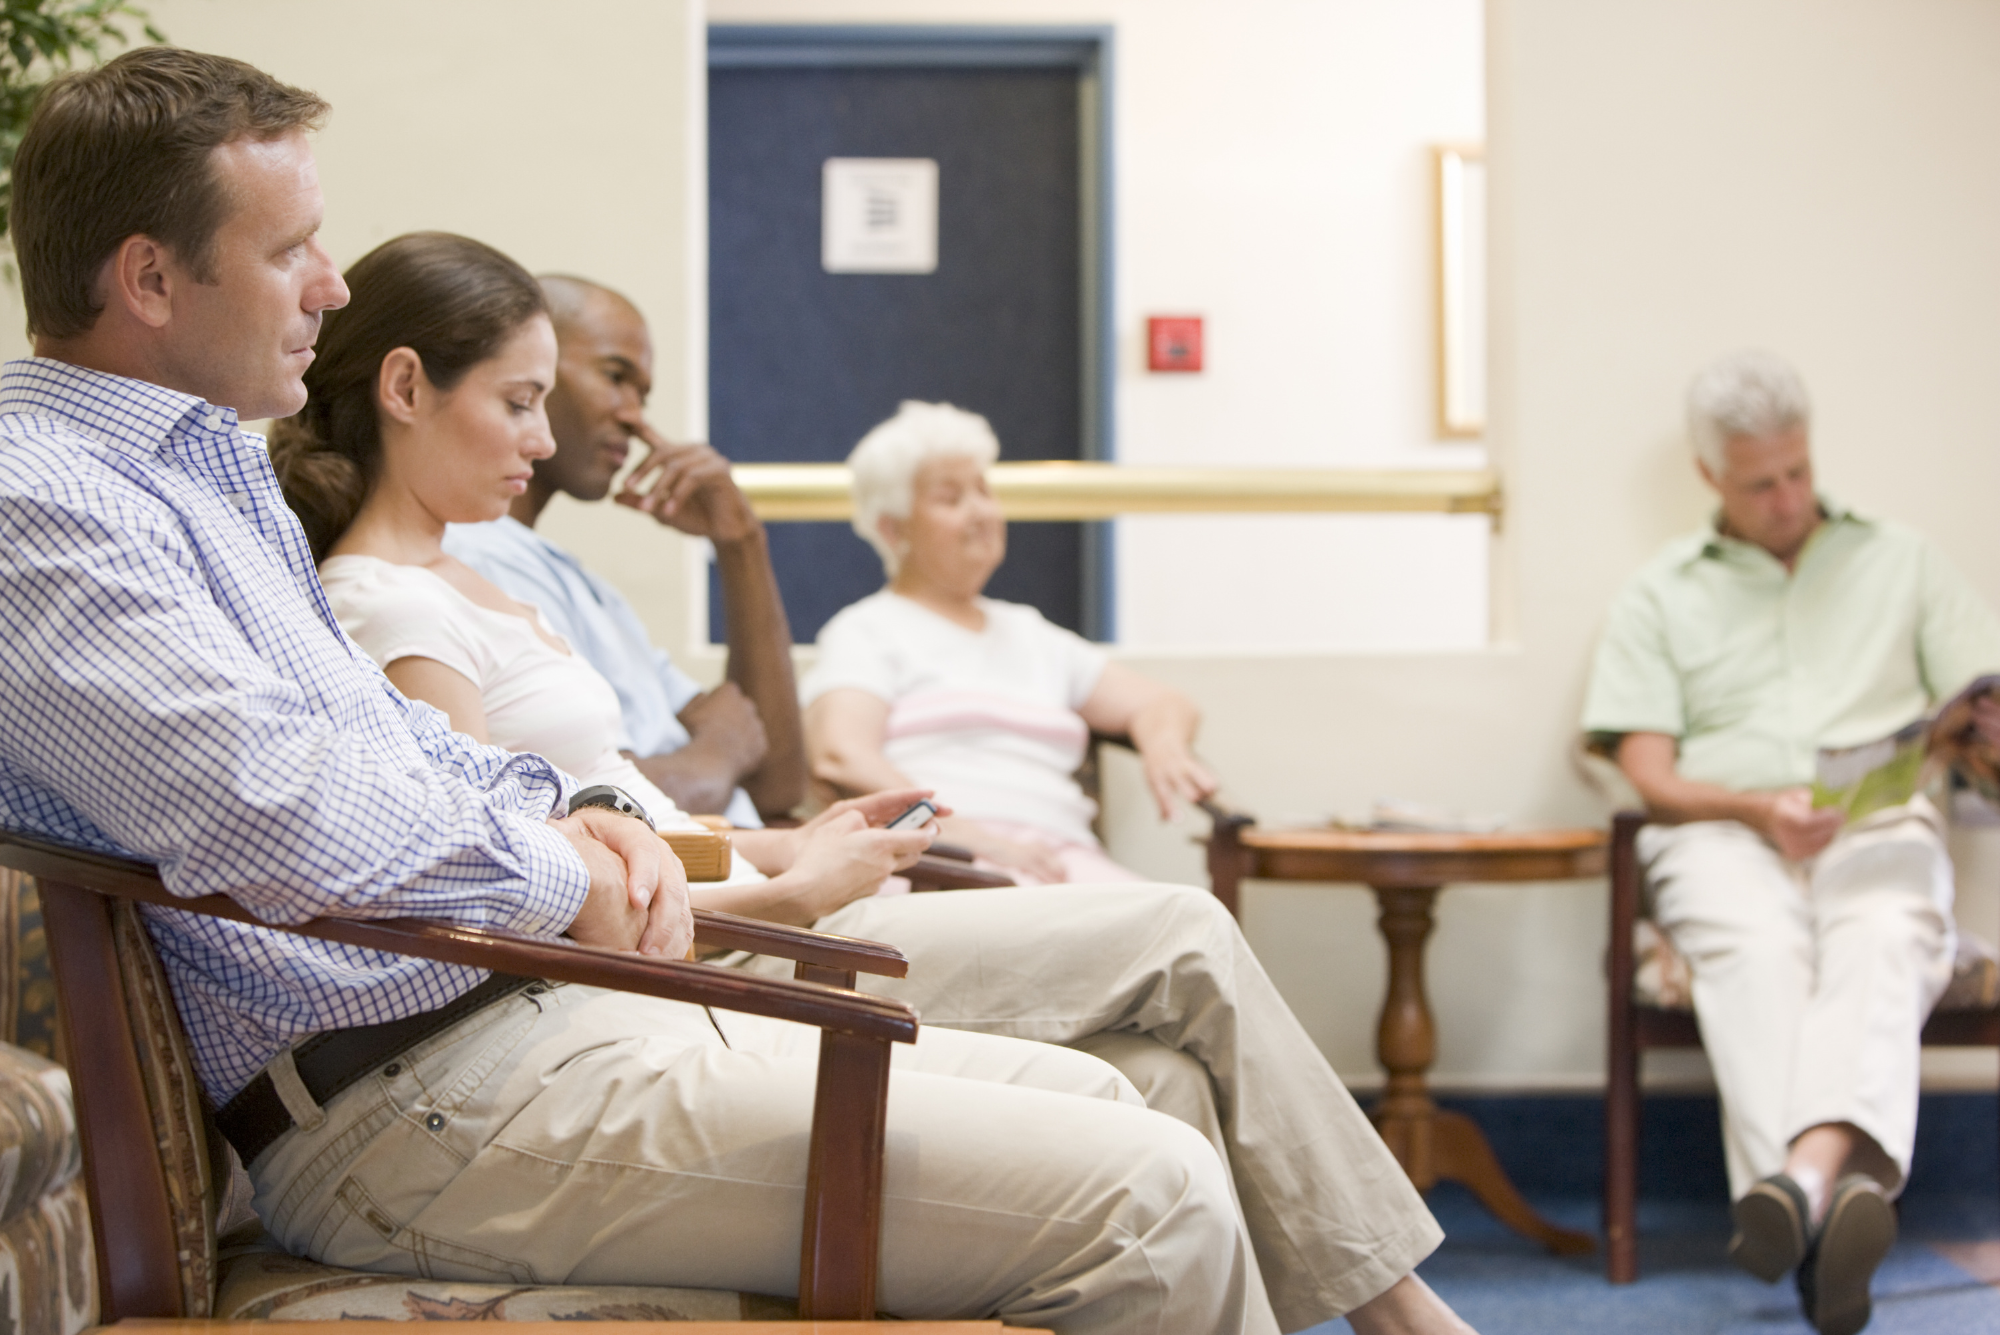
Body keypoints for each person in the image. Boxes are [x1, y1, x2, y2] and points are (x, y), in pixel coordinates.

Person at [0, 47, 1464, 1335]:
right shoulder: (46, 501)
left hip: (504, 1015)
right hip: (404, 1100)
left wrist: (576, 813)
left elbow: (385, 748)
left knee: (1132, 1107)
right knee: (1153, 1193)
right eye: (293, 249)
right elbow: (285, 810)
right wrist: (573, 857)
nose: (327, 280)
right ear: (147, 277)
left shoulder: (189, 473)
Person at [276, 246, 1476, 1335]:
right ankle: (1397, 1311)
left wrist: (786, 839)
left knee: (1154, 1074)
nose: (541, 440)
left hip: (702, 921)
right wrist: (791, 887)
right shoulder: (389, 601)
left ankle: (1375, 1302)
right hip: (643, 978)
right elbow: (516, 894)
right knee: (1179, 935)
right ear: (404, 390)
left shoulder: (480, 584)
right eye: (518, 403)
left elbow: (600, 821)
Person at [1582, 348, 2000, 1335]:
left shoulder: (1899, 561)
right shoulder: (1657, 594)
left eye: (1797, 471)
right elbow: (1646, 771)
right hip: (1722, 832)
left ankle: (1798, 1189)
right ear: (1708, 478)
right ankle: (1832, 1217)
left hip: (1874, 819)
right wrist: (1753, 810)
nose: (1786, 497)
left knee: (1887, 927)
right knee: (1757, 954)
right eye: (1759, 482)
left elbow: (1975, 710)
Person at [441, 274, 800, 829]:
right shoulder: (469, 557)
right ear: (532, 368)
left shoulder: (578, 581)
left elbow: (775, 783)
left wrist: (741, 543)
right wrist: (718, 753)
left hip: (758, 870)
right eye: (616, 376)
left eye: (644, 394)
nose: (636, 416)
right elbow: (578, 802)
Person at [804, 400, 1215, 884]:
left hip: (1060, 861)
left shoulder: (1030, 633)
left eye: (983, 490)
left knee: (1194, 921)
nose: (980, 511)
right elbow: (840, 753)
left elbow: (1163, 702)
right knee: (1181, 926)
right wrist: (970, 836)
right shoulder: (868, 630)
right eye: (951, 498)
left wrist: (1163, 743)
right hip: (942, 866)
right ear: (894, 530)